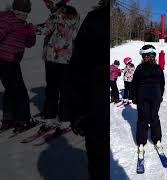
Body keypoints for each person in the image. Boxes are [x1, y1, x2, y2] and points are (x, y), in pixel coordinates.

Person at [69, 0, 108, 179]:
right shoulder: (96, 19)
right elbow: (79, 66)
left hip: (95, 102)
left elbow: (78, 66)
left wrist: (77, 110)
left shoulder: (95, 19)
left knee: (99, 160)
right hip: (96, 101)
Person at [36, 0, 80, 128]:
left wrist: (29, 28)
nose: (48, 6)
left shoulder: (56, 14)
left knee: (52, 87)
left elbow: (45, 29)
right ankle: (65, 118)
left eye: (49, 4)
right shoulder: (75, 14)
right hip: (68, 57)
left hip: (53, 57)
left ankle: (50, 116)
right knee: (65, 88)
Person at [0, 0, 38, 133]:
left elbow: (29, 43)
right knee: (19, 91)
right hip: (8, 61)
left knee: (10, 89)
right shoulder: (8, 20)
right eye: (24, 13)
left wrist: (31, 33)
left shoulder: (19, 23)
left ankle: (8, 118)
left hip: (9, 61)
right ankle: (22, 120)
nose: (25, 16)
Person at [132, 44, 165, 159]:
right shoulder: (150, 68)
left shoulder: (147, 68)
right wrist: (160, 95)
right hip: (149, 97)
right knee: (148, 117)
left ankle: (149, 140)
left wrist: (160, 95)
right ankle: (149, 140)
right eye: (144, 56)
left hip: (149, 97)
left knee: (148, 117)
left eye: (144, 56)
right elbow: (135, 84)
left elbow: (162, 83)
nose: (144, 58)